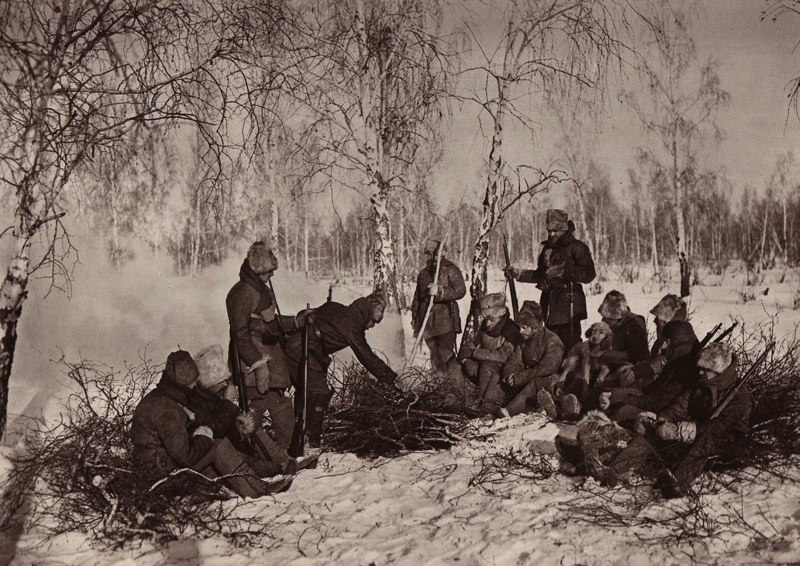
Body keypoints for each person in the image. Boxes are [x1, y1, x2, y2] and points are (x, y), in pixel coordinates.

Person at [130, 350, 292, 498]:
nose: (195, 386)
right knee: (217, 447)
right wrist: (204, 436)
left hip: (159, 469)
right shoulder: (167, 410)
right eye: (193, 383)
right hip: (163, 475)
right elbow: (185, 457)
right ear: (183, 384)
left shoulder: (161, 399)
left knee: (225, 458)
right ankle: (258, 489)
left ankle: (274, 472)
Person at [598, 343, 751, 498]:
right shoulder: (700, 385)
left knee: (707, 440)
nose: (700, 372)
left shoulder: (740, 396)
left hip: (728, 443)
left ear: (719, 371)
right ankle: (614, 472)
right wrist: (662, 421)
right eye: (701, 368)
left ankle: (677, 484)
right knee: (652, 433)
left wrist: (682, 431)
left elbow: (720, 427)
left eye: (706, 370)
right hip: (696, 432)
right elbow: (679, 408)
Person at [225, 241, 313, 450]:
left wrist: (296, 322)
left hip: (269, 364)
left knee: (278, 403)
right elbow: (240, 334)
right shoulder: (242, 293)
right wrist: (259, 365)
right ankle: (252, 454)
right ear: (258, 269)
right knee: (255, 410)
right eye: (269, 271)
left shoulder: (258, 289)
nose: (272, 275)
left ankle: (288, 452)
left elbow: (270, 324)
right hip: (253, 367)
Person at [283, 292, 398, 451]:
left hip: (299, 348)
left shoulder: (337, 308)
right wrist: (391, 378)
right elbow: (367, 357)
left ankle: (297, 435)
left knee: (306, 392)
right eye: (373, 322)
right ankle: (311, 441)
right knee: (319, 393)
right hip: (301, 351)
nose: (372, 327)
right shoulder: (352, 326)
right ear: (367, 315)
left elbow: (304, 314)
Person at [505, 209, 596, 351]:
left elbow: (589, 274)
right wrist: (519, 274)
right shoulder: (548, 249)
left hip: (569, 306)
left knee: (571, 346)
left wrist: (564, 272)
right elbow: (541, 274)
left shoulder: (577, 247)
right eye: (549, 231)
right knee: (551, 345)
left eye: (556, 231)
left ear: (564, 230)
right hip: (549, 304)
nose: (551, 234)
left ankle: (572, 373)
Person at [459, 292, 522, 417]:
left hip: (504, 372)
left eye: (491, 320)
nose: (487, 324)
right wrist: (466, 359)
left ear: (500, 316)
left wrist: (474, 353)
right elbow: (470, 344)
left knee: (487, 366)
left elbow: (502, 356)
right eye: (485, 319)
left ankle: (487, 405)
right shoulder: (485, 326)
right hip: (485, 370)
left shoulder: (511, 329)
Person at [411, 239, 467, 376]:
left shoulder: (451, 270)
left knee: (447, 356)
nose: (431, 257)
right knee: (434, 357)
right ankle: (439, 387)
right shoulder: (424, 273)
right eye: (428, 254)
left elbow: (461, 290)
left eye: (434, 254)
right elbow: (417, 298)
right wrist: (415, 319)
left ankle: (456, 390)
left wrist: (441, 291)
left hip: (445, 321)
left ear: (443, 253)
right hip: (427, 323)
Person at [501, 300, 565, 417]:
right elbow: (515, 360)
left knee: (537, 381)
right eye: (520, 327)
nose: (520, 331)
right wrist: (510, 375)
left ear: (535, 327)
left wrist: (520, 377)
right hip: (530, 377)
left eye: (524, 327)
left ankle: (509, 411)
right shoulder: (524, 340)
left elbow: (546, 368)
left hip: (552, 381)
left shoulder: (552, 340)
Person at [614, 293, 688, 390]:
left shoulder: (678, 343)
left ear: (667, 320)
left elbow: (662, 364)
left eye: (658, 318)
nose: (654, 321)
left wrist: (637, 372)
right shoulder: (662, 341)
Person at [596, 290, 649, 372]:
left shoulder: (633, 326)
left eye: (607, 317)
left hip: (634, 371)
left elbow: (634, 355)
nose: (603, 320)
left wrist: (606, 355)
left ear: (616, 316)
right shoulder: (616, 324)